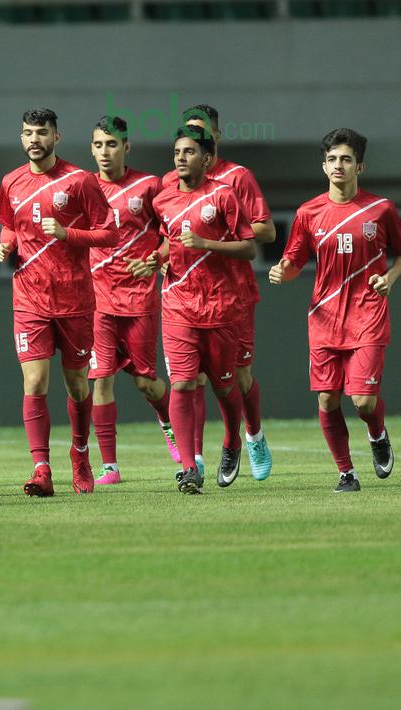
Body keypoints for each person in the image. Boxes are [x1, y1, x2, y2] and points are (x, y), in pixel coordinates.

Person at [0, 108, 118, 497]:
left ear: (56, 137)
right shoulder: (10, 181)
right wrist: (5, 244)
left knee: (78, 384)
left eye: (42, 133)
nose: (35, 139)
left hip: (75, 298)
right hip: (29, 297)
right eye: (28, 132)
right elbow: (9, 225)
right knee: (34, 381)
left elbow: (110, 233)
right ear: (21, 137)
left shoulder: (79, 180)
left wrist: (68, 234)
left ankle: (80, 454)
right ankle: (41, 468)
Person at [268, 128, 400, 492]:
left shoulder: (381, 209)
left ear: (360, 166)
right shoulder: (308, 212)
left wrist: (390, 278)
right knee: (327, 398)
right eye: (331, 159)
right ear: (324, 166)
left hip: (368, 314)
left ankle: (377, 433)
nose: (338, 165)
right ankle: (346, 473)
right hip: (324, 318)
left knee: (363, 401)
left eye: (345, 159)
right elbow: (294, 262)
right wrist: (282, 271)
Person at [133, 127, 257, 494]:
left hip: (221, 305)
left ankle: (232, 440)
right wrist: (155, 259)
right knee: (183, 383)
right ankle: (189, 467)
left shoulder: (223, 195)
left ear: (206, 158)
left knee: (224, 386)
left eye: (189, 152)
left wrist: (206, 243)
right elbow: (168, 242)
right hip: (178, 304)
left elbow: (249, 247)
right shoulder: (163, 201)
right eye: (177, 152)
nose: (181, 158)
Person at [168, 105, 277, 483]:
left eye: (202, 133)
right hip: (186, 297)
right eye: (187, 133)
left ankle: (251, 436)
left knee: (237, 378)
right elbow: (168, 232)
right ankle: (193, 460)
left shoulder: (236, 178)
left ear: (215, 137)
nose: (193, 140)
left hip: (234, 294)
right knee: (189, 379)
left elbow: (265, 231)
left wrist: (215, 231)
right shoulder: (171, 183)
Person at [86, 115, 179, 485]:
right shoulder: (83, 187)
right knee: (101, 380)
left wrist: (156, 259)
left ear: (126, 147)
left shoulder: (149, 186)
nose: (105, 152)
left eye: (112, 144)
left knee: (145, 383)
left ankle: (168, 420)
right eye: (98, 145)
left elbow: (172, 232)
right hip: (96, 298)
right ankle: (110, 466)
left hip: (139, 297)